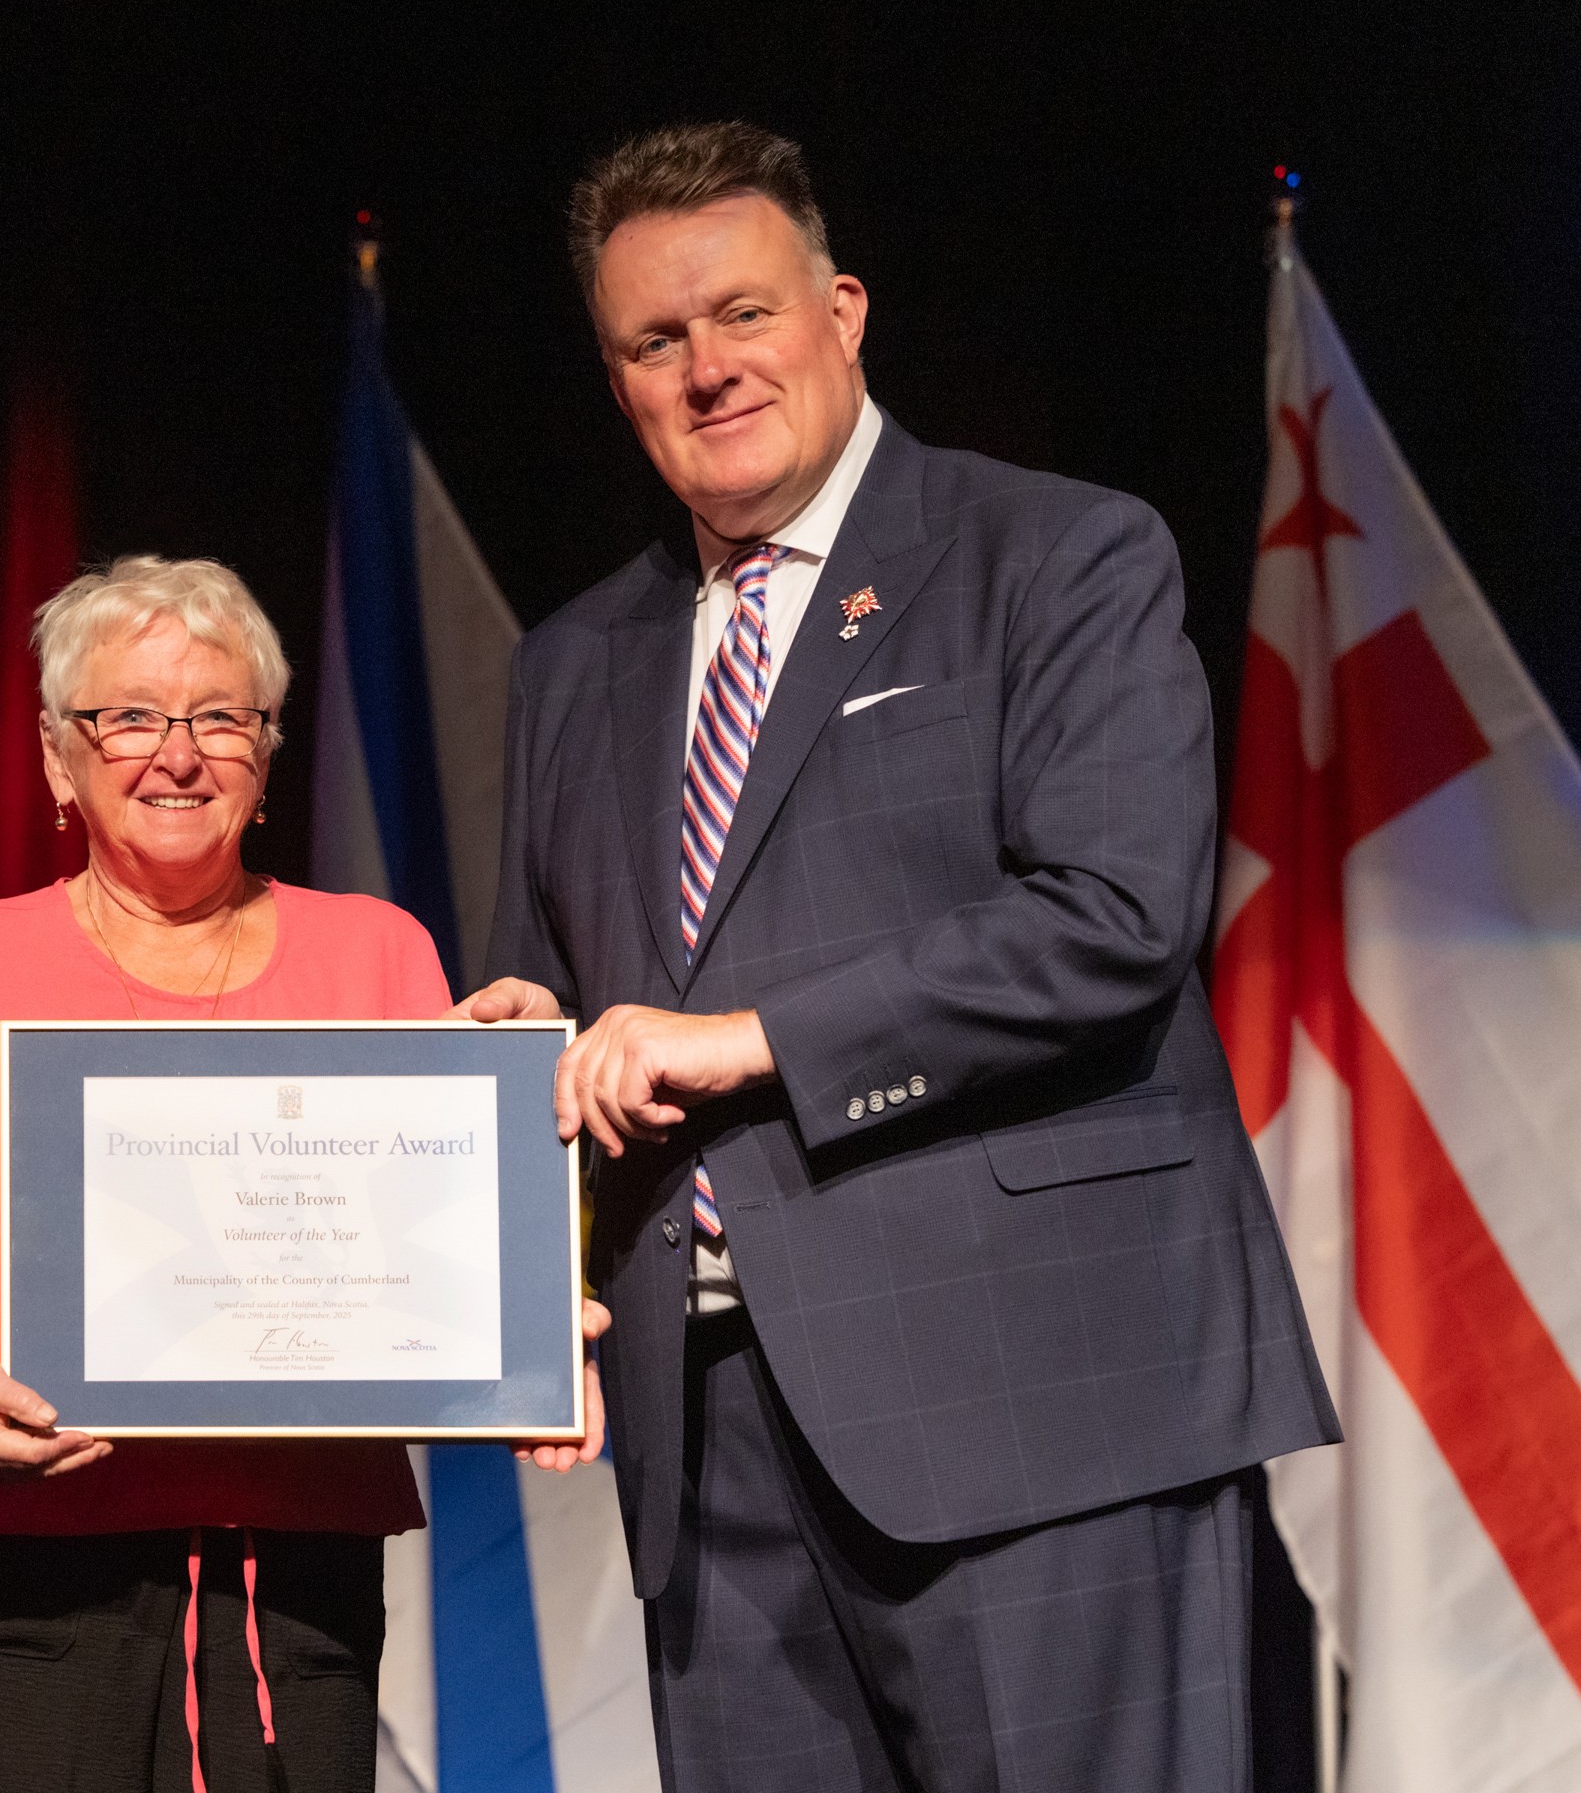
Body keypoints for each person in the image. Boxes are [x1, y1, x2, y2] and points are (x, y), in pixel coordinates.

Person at [459, 123, 1340, 1791]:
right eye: (654, 342)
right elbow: (568, 1010)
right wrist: (517, 1126)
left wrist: (747, 1036)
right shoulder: (574, 661)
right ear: (614, 377)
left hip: (1034, 1402)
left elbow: (1112, 918)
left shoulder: (1057, 554)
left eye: (741, 314)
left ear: (843, 311)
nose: (706, 368)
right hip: (706, 1446)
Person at [0, 556, 495, 1793]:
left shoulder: (379, 958)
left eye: (221, 716)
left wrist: (525, 1280)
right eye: (131, 718)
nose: (179, 753)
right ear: (62, 758)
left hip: (287, 1594)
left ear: (266, 756)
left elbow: (443, 1259)